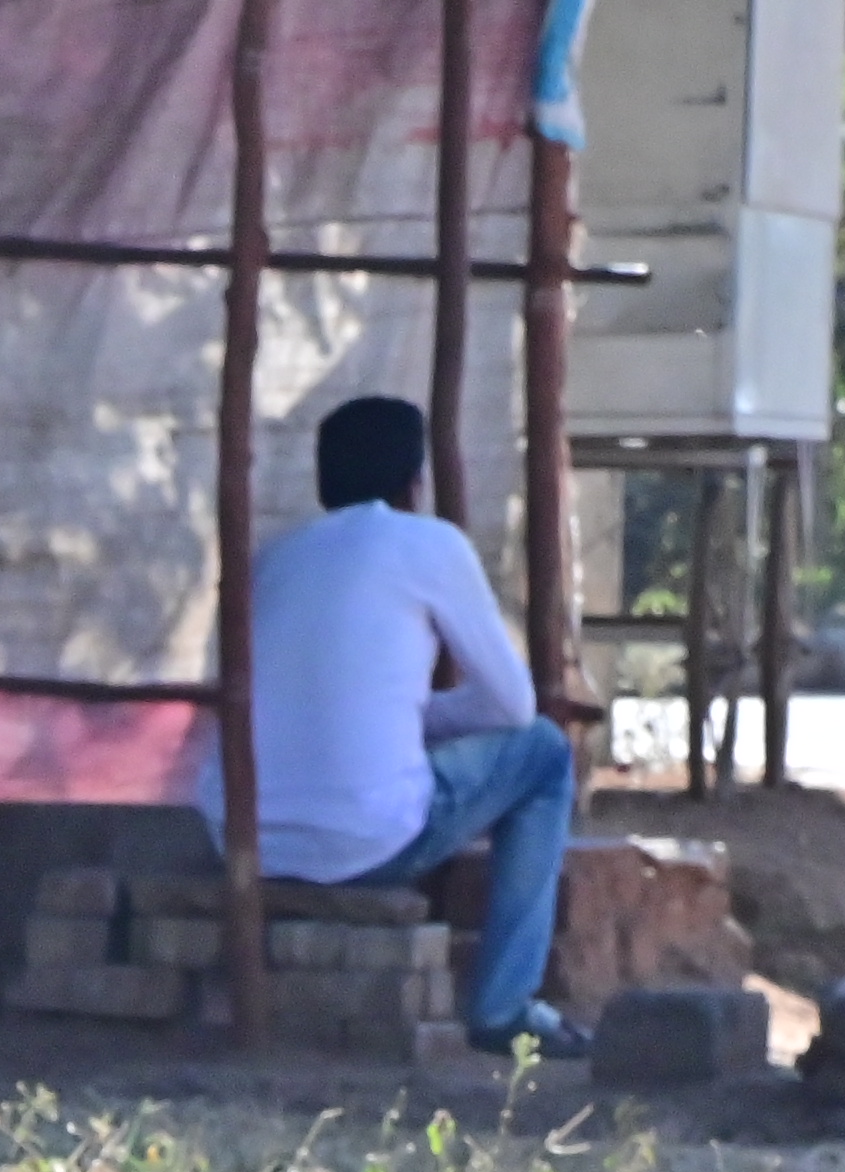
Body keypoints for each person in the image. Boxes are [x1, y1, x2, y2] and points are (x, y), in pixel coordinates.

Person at [205, 392, 584, 1060]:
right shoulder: (428, 543)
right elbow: (513, 708)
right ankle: (505, 1006)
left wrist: (408, 717)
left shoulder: (274, 557)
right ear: (416, 481)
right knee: (546, 754)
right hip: (363, 843)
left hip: (239, 839)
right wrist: (421, 719)